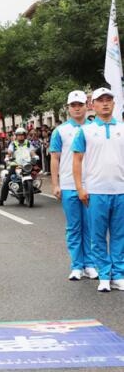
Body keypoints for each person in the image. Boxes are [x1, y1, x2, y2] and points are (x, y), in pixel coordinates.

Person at [72, 87, 124, 292]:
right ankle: (104, 274)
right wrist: (80, 188)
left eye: (108, 100)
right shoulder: (85, 131)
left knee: (120, 236)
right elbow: (77, 161)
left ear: (113, 103)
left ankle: (118, 275)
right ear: (92, 105)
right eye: (100, 100)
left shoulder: (122, 128)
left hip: (120, 190)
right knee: (98, 236)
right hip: (96, 191)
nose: (105, 103)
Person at [50, 90, 97, 281]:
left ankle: (90, 264)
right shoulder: (60, 131)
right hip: (69, 185)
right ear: (68, 108)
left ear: (87, 106)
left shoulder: (95, 128)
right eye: (73, 105)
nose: (77, 108)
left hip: (92, 185)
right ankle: (77, 265)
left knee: (91, 226)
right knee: (74, 227)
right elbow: (55, 157)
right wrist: (55, 184)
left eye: (80, 105)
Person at [0, 127, 36, 206]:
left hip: (26, 164)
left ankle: (32, 187)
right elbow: (9, 152)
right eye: (19, 135)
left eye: (22, 135)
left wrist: (35, 156)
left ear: (25, 135)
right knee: (7, 181)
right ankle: (1, 200)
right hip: (15, 165)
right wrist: (8, 157)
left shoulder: (28, 143)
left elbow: (32, 151)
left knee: (35, 173)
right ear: (16, 136)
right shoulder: (13, 144)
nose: (21, 136)